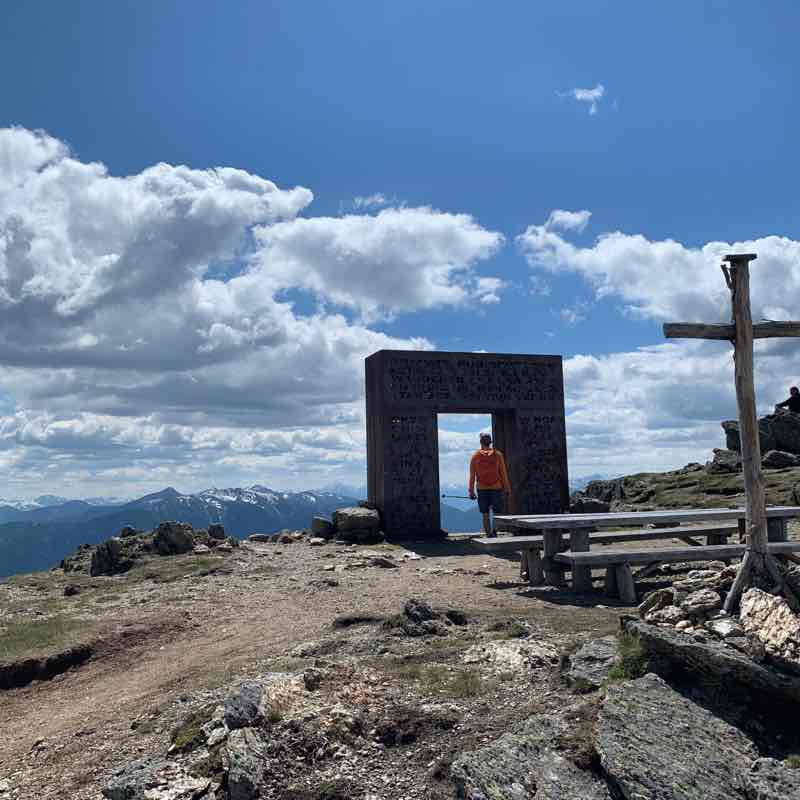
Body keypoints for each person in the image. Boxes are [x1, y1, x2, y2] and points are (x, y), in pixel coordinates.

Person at [468, 432, 512, 538]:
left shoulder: (475, 456)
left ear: (480, 442)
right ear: (490, 442)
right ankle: (495, 532)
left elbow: (472, 475)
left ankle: (488, 535)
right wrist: (507, 489)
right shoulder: (498, 455)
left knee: (485, 513)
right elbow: (503, 473)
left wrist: (471, 491)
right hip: (496, 487)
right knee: (497, 513)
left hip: (481, 488)